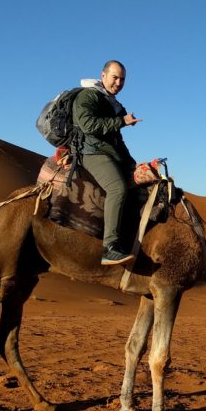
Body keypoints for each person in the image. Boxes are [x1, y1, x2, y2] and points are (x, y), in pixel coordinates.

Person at [73, 60, 143, 265]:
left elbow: (116, 140)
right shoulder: (88, 95)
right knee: (118, 188)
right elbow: (87, 124)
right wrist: (121, 121)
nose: (119, 83)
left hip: (106, 151)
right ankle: (109, 247)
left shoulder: (110, 102)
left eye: (122, 79)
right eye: (115, 77)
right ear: (103, 76)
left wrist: (132, 163)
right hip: (90, 152)